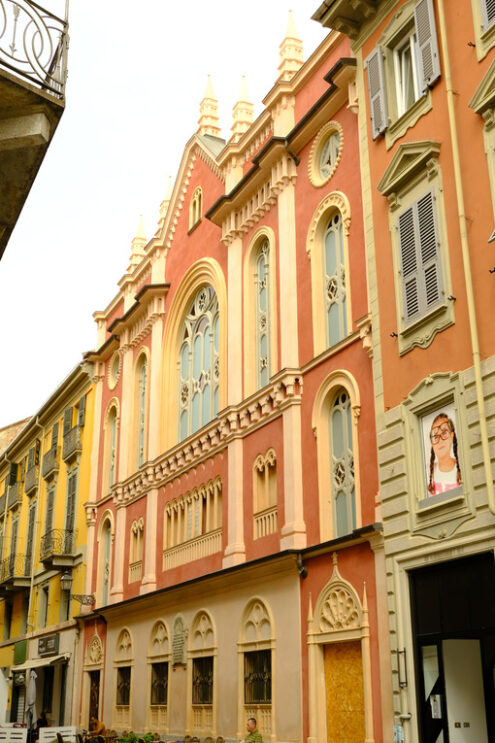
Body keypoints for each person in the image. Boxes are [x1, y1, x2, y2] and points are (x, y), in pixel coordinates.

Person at [427, 413, 461, 496]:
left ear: (452, 436)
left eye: (444, 433)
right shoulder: (427, 473)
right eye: (435, 436)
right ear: (432, 443)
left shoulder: (462, 467)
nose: (440, 440)